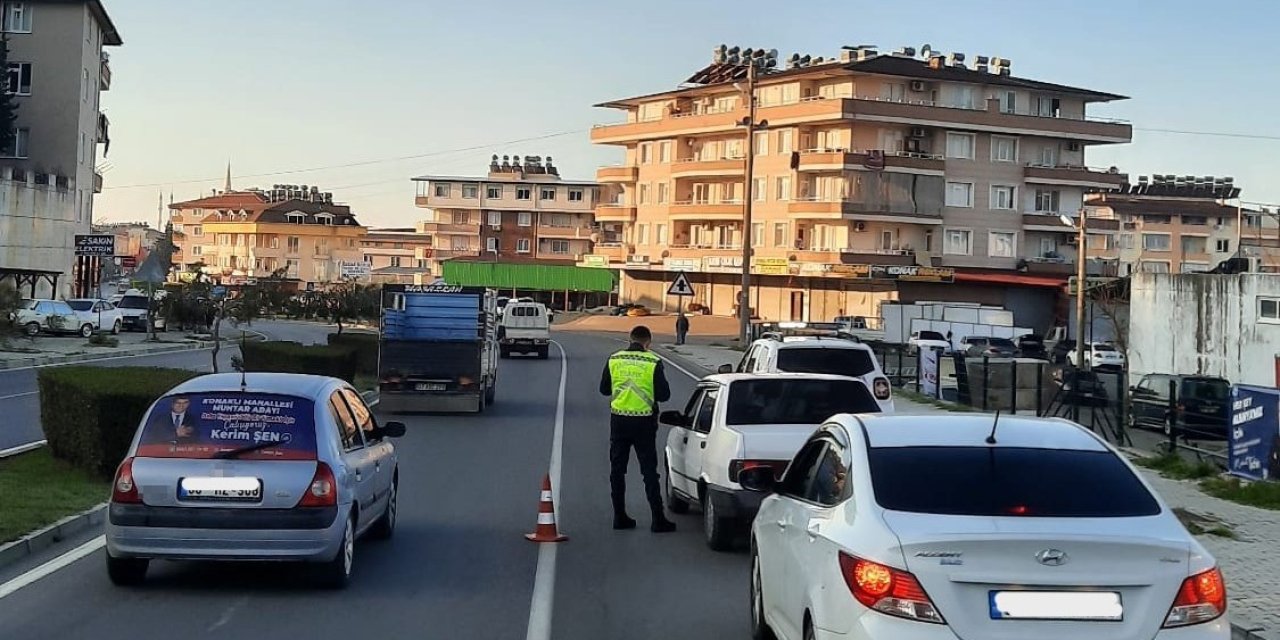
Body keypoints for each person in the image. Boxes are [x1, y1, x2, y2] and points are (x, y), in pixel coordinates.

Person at [599, 325, 676, 533]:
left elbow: (604, 389)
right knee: (649, 471)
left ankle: (619, 516)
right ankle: (658, 519)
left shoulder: (614, 359)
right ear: (647, 342)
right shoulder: (653, 361)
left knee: (617, 470)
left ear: (629, 339)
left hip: (619, 421)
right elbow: (664, 395)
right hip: (644, 423)